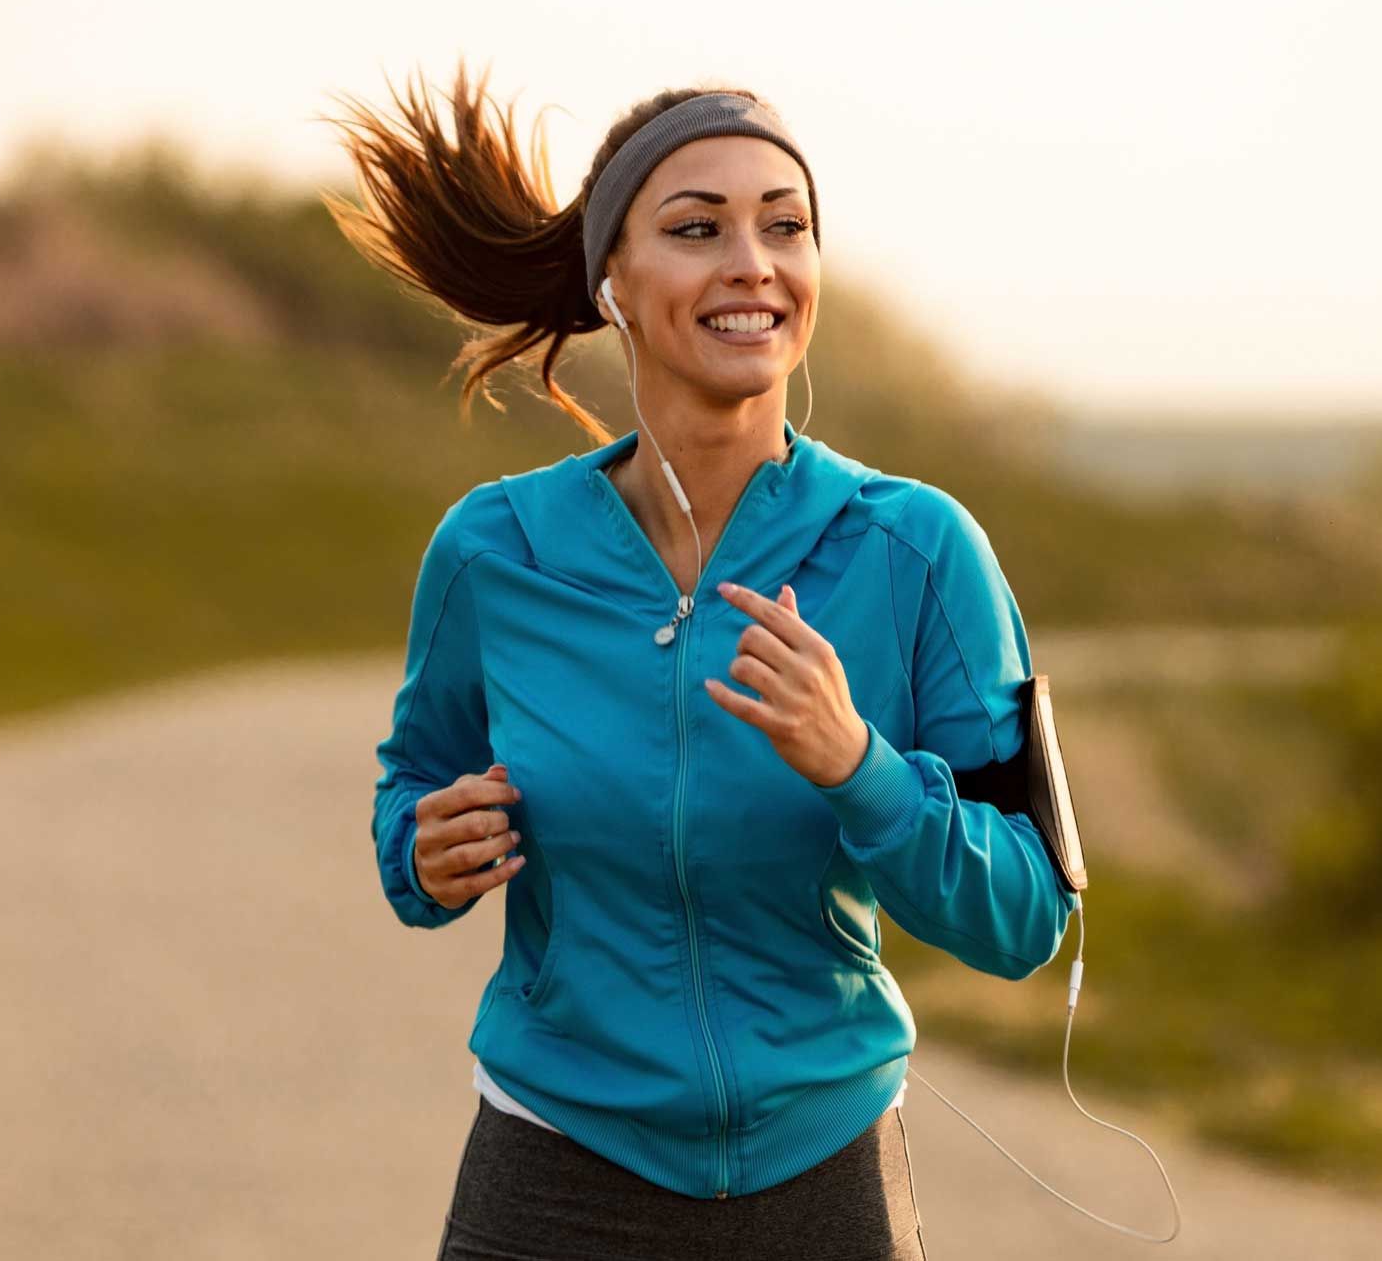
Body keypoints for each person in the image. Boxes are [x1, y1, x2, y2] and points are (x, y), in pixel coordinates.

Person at [322, 61, 1079, 1260]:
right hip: (552, 1169)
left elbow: (1028, 914)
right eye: (696, 228)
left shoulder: (916, 549)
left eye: (787, 225)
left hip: (819, 1177)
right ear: (610, 282)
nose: (752, 262)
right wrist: (423, 851)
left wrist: (861, 767)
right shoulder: (496, 551)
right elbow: (410, 790)